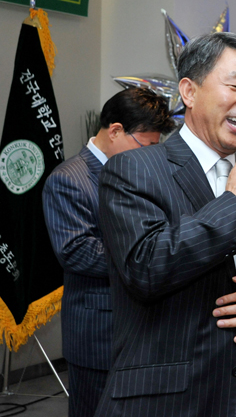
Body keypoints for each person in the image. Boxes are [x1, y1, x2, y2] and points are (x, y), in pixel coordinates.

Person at [96, 32, 236, 417]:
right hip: (167, 400)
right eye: (235, 86)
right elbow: (146, 269)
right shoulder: (133, 168)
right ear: (189, 91)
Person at [42, 88, 174, 417]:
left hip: (144, 330)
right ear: (115, 131)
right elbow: (76, 251)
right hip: (98, 333)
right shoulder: (68, 179)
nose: (151, 157)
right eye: (146, 146)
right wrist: (142, 254)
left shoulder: (142, 176)